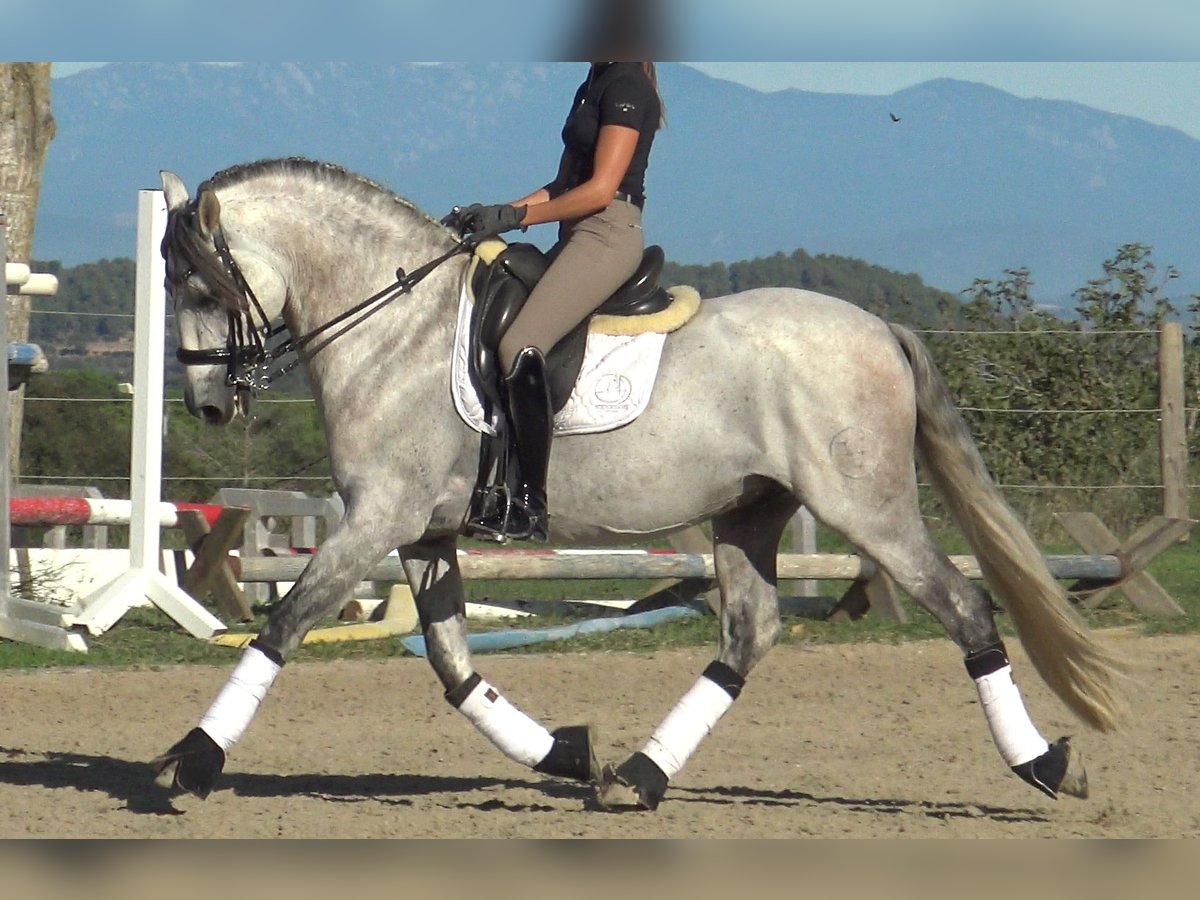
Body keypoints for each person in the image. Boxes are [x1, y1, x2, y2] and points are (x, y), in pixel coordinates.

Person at [451, 61, 665, 542]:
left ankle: (530, 503)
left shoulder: (628, 85)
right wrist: (498, 214)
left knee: (520, 344)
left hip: (607, 236)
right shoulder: (593, 84)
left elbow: (600, 190)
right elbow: (563, 187)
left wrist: (519, 215)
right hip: (575, 234)